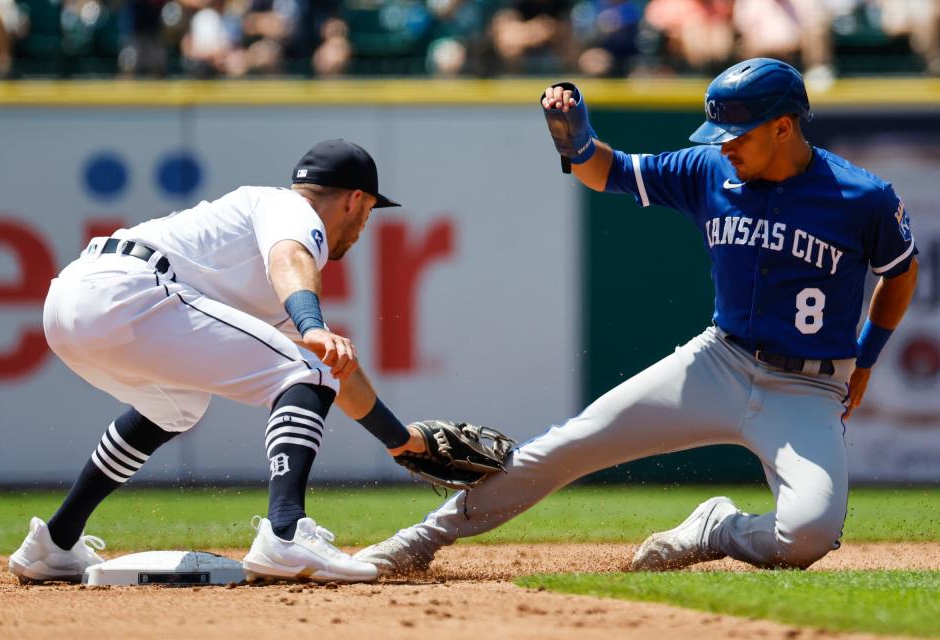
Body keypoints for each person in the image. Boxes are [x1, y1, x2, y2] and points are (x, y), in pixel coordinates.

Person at [354, 58, 919, 574]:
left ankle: (714, 528)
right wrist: (578, 145)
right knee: (570, 444)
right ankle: (416, 542)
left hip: (807, 389)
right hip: (719, 362)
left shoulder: (860, 196)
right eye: (717, 135)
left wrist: (865, 361)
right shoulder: (706, 170)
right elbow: (611, 172)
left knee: (807, 538)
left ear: (783, 126)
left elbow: (901, 271)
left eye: (736, 135)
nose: (724, 147)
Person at [8, 139, 427, 585]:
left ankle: (54, 543)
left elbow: (338, 372)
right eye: (369, 210)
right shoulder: (289, 210)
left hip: (72, 301)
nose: (365, 224)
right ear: (355, 199)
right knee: (304, 372)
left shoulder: (261, 262)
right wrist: (312, 325)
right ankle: (286, 533)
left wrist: (401, 442)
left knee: (178, 407)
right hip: (128, 291)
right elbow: (292, 258)